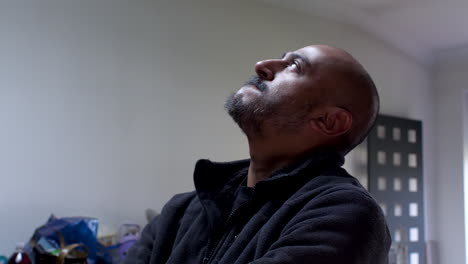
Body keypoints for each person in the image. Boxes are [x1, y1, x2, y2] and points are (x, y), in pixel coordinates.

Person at [124, 45, 391, 264]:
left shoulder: (347, 213)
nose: (262, 65)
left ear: (328, 121)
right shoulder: (179, 211)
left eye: (294, 66)